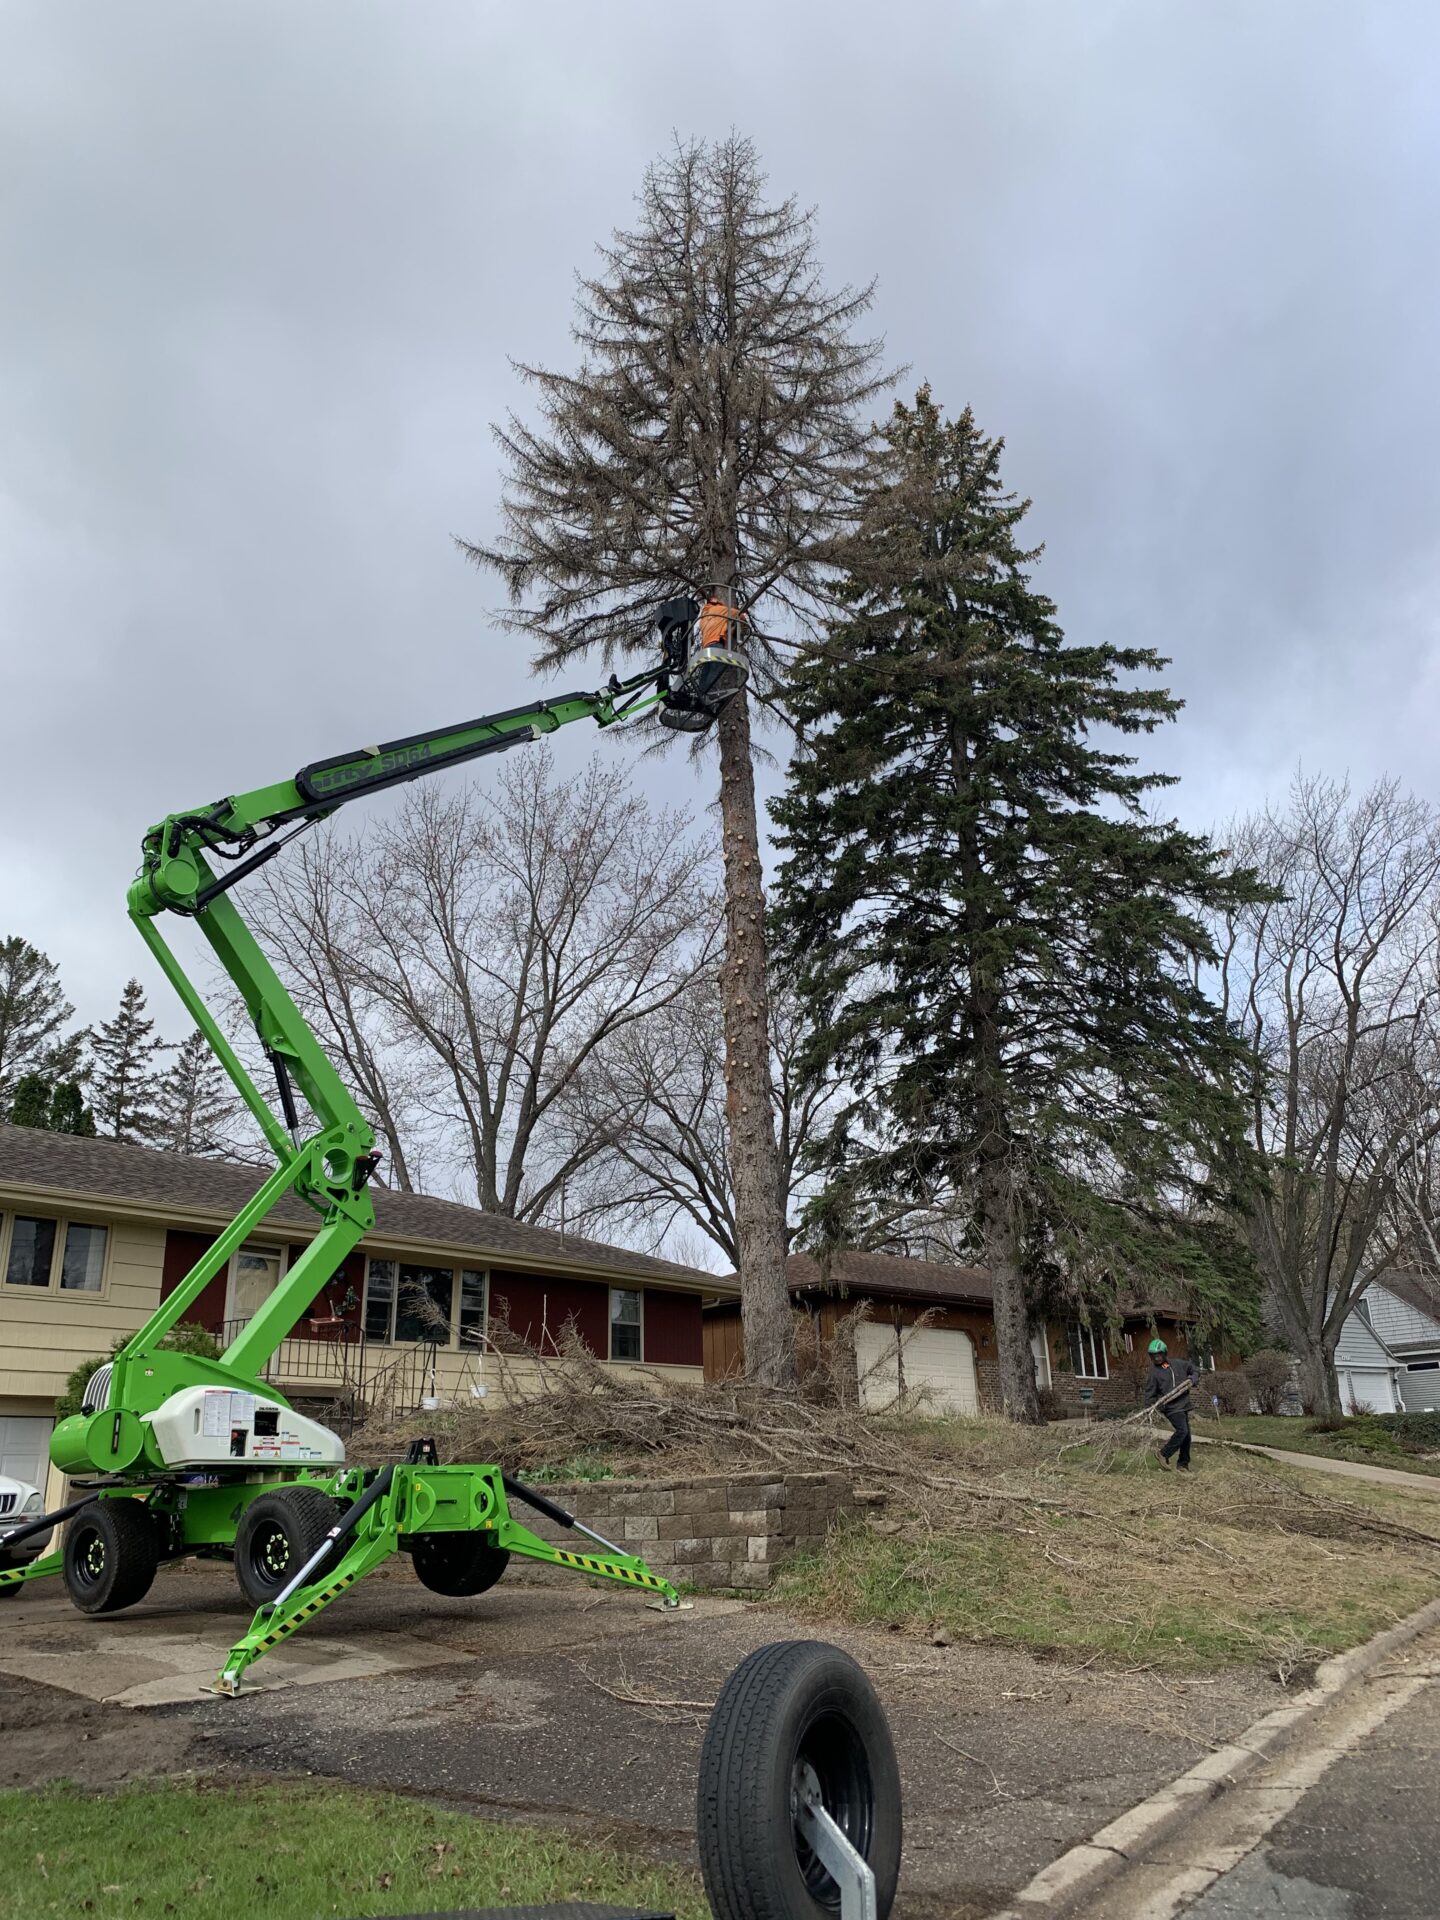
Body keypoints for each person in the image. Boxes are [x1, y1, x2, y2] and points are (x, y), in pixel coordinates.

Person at [1142, 1338, 1199, 1470]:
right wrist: (1149, 1409)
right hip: (1170, 1408)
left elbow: (1194, 1369)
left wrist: (1193, 1378)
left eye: (1159, 1355)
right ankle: (1163, 1453)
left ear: (1164, 1353)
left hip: (1184, 1404)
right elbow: (1149, 1394)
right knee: (1182, 1430)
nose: (1156, 1358)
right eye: (1153, 1356)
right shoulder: (1154, 1373)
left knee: (1187, 1436)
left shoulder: (1178, 1364)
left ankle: (1183, 1464)